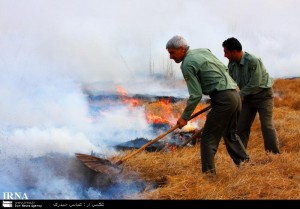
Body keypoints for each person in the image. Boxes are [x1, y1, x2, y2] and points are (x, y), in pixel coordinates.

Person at [166, 35, 250, 176]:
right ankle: (247, 166)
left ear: (181, 49)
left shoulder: (187, 64)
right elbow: (223, 69)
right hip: (235, 94)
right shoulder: (204, 51)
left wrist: (184, 118)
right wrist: (223, 91)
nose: (170, 57)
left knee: (208, 138)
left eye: (172, 53)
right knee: (230, 134)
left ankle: (209, 176)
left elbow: (196, 95)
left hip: (224, 98)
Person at [222, 37, 280, 154]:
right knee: (241, 127)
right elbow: (230, 81)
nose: (224, 55)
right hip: (247, 99)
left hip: (263, 96)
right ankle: (242, 157)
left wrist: (240, 95)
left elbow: (255, 83)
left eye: (226, 52)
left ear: (234, 52)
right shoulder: (232, 64)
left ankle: (273, 155)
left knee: (266, 126)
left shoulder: (253, 60)